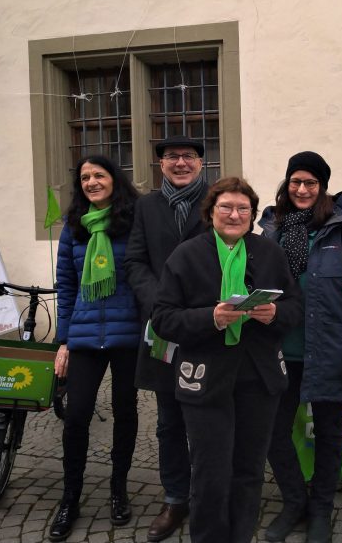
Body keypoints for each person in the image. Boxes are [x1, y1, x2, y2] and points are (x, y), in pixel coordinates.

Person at [151, 177, 303, 543]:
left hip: (258, 377)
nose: (234, 215)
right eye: (226, 207)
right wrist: (210, 318)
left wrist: (274, 314)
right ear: (211, 212)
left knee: (249, 471)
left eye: (243, 209)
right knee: (210, 473)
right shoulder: (187, 254)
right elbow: (163, 318)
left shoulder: (269, 252)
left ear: (252, 214)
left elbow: (297, 308)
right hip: (205, 378)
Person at [259, 151, 342, 543]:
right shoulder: (271, 229)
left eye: (311, 183)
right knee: (274, 432)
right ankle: (294, 502)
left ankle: (321, 509)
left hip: (330, 350)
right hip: (280, 351)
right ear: (286, 184)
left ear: (322, 187)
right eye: (296, 181)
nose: (302, 189)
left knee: (330, 433)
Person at [50, 156, 140, 542]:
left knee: (125, 411)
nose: (91, 182)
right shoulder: (74, 227)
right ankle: (70, 497)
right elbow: (66, 287)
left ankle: (118, 488)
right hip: (85, 336)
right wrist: (64, 341)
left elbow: (145, 276)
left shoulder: (133, 223)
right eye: (84, 177)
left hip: (128, 334)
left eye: (98, 175)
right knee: (77, 415)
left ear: (113, 179)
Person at [124, 135, 207, 542]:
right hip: (161, 327)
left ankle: (208, 493)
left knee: (210, 418)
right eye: (171, 157)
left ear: (201, 163)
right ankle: (175, 499)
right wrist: (159, 301)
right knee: (169, 421)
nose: (180, 162)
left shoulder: (218, 199)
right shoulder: (147, 207)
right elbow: (136, 260)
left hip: (209, 324)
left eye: (188, 156)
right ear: (160, 165)